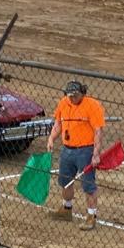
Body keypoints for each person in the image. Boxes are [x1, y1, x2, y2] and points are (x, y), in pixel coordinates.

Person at [46, 80, 105, 231]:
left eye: (75, 96)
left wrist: (96, 154)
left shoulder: (92, 105)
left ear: (82, 93)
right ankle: (67, 209)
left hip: (85, 151)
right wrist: (51, 138)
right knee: (65, 181)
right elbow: (58, 123)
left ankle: (91, 216)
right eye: (70, 96)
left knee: (88, 185)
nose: (72, 99)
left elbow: (98, 131)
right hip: (67, 149)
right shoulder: (63, 103)